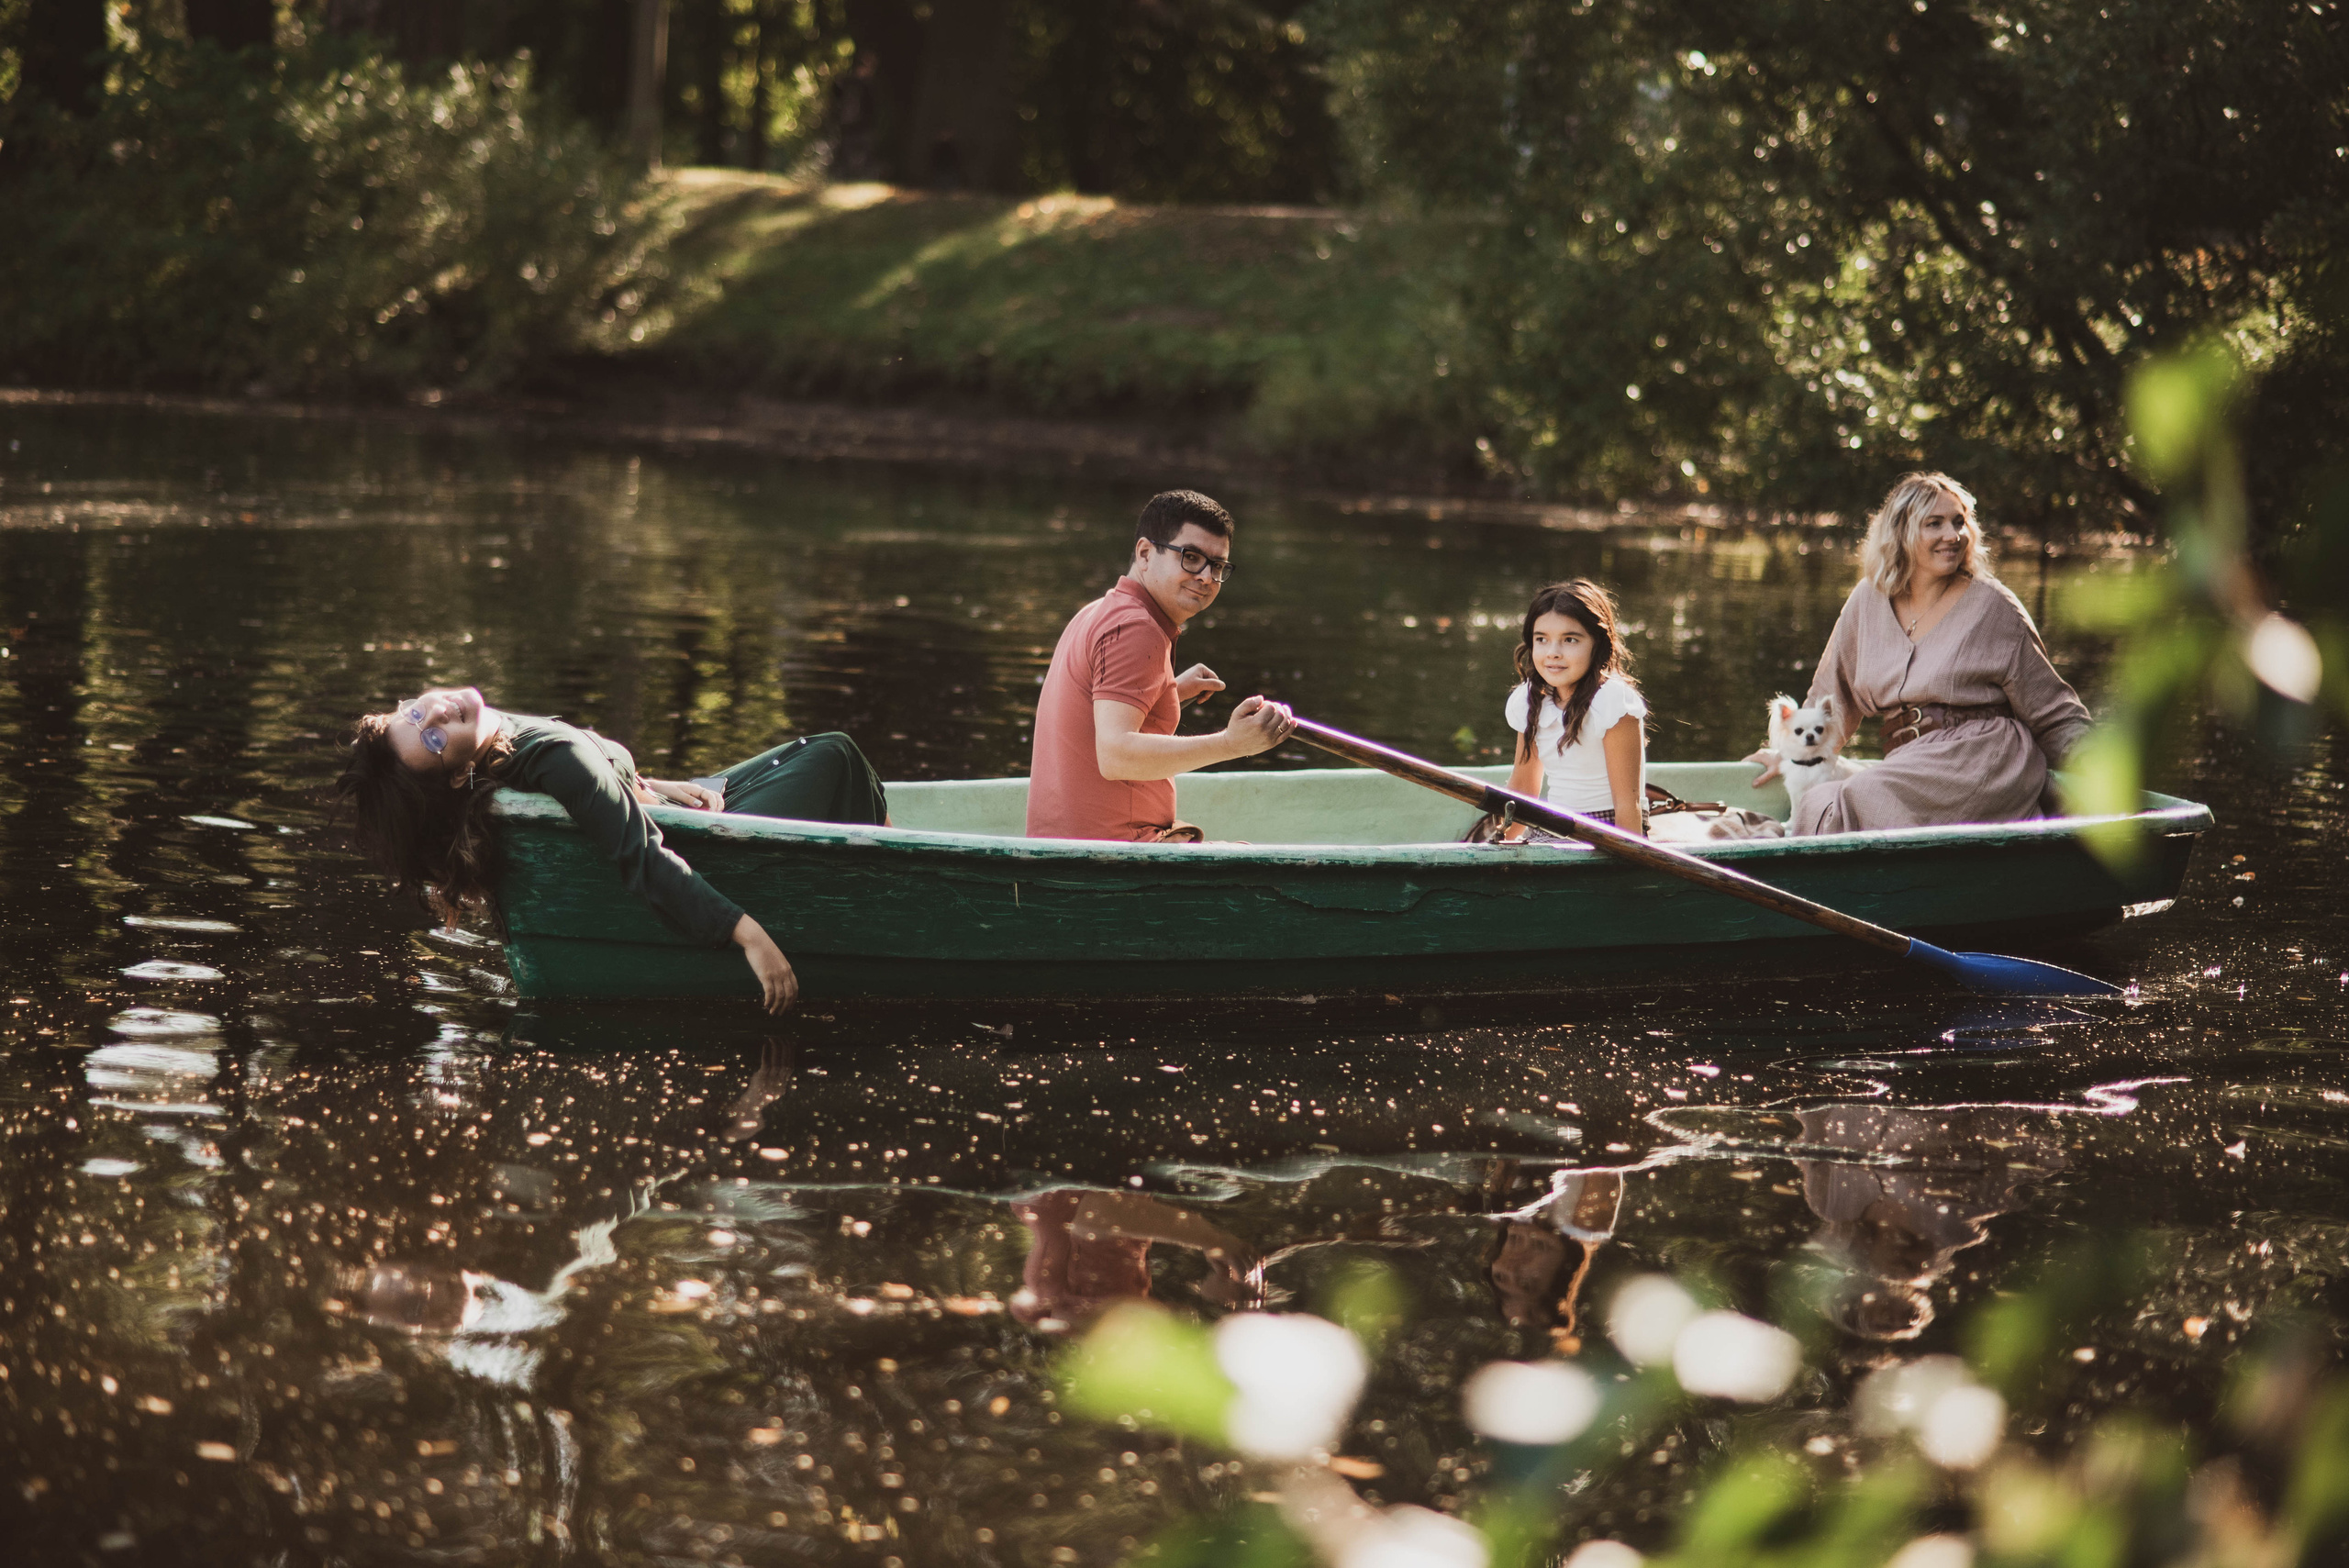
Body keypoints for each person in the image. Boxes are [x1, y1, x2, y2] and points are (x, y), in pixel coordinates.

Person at [337, 686, 888, 1014]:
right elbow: (639, 858)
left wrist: (654, 788)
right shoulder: (551, 759)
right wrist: (748, 936)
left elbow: (596, 779)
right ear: (455, 777)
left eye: (416, 715)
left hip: (665, 805)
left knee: (817, 753)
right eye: (431, 740)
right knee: (835, 755)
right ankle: (886, 856)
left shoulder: (495, 743)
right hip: (687, 846)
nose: (435, 717)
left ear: (408, 700)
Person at [1749, 472, 2092, 835]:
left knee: (1857, 796)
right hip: (1910, 766)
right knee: (1819, 800)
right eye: (1935, 524)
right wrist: (1788, 752)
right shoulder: (1868, 599)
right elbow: (1830, 697)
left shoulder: (1993, 606)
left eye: (1959, 522)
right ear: (1901, 532)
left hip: (1982, 757)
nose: (1953, 535)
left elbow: (2053, 711)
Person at [1025, 489, 1296, 841]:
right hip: (1114, 855)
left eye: (1217, 565)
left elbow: (1096, 711)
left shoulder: (1099, 611)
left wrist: (1168, 691)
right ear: (1145, 553)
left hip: (1068, 846)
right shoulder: (1136, 629)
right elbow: (1116, 756)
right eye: (1191, 557)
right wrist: (1232, 743)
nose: (1205, 576)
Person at [1498, 579, 1649, 835]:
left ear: (1597, 644)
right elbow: (1523, 787)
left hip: (1609, 831)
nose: (1553, 653)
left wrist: (1627, 867)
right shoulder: (1531, 700)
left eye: (1570, 640)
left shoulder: (1613, 702)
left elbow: (1628, 803)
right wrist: (1499, 847)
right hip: (1552, 827)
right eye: (1542, 639)